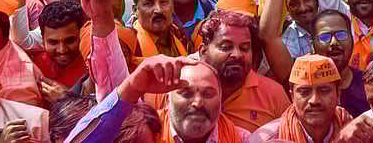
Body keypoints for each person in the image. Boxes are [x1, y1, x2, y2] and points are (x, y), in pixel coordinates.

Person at [63, 56, 248, 143]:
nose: (198, 103)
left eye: (208, 94)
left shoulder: (241, 139)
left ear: (221, 100)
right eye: (186, 93)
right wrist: (131, 89)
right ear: (168, 100)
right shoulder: (144, 135)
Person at [250, 55, 353, 143]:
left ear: (338, 95)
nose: (314, 100)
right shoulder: (265, 140)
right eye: (304, 92)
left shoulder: (356, 134)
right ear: (292, 97)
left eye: (324, 90)